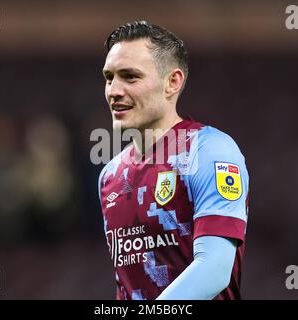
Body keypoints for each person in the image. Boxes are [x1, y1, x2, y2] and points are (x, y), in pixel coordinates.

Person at [98, 21, 249, 300]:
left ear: (172, 82)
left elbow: (214, 269)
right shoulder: (110, 176)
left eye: (130, 77)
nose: (114, 91)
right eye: (109, 77)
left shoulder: (210, 151)